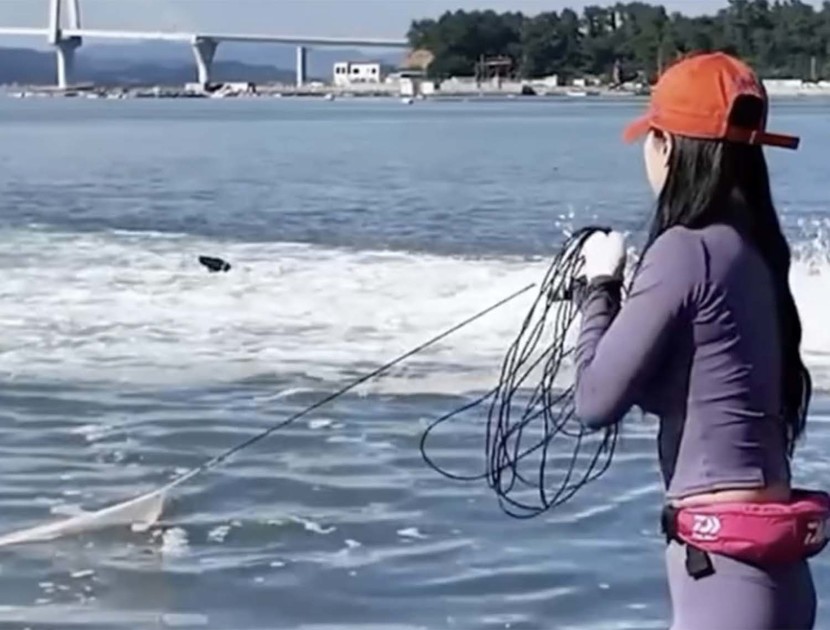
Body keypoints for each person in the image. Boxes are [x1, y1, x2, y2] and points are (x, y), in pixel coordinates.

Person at [571, 51, 828, 630]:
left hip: (723, 578)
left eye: (651, 137)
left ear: (666, 146)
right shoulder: (756, 250)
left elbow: (594, 401)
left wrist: (599, 288)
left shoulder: (685, 251)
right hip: (780, 576)